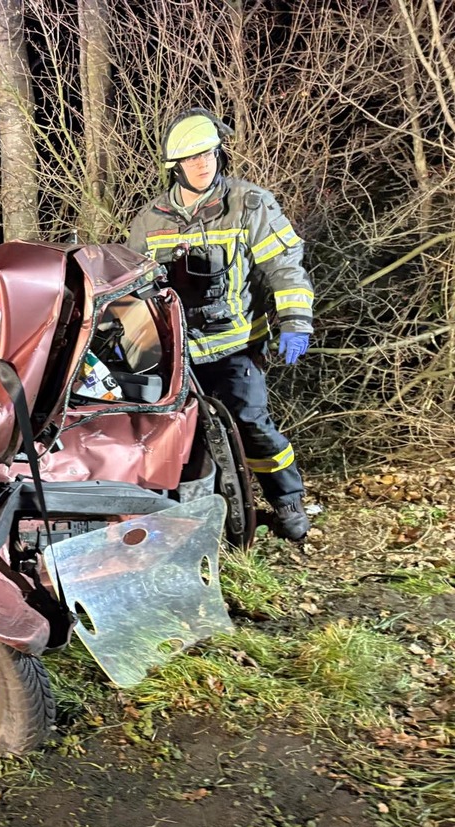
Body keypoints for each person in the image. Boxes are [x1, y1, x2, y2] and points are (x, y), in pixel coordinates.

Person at [126, 109, 314, 541]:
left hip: (236, 345)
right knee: (178, 436)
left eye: (209, 154)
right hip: (177, 354)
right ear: (175, 166)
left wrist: (296, 320)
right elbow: (133, 290)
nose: (203, 163)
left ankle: (287, 500)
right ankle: (196, 519)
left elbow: (285, 267)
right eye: (192, 157)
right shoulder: (149, 221)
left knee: (251, 425)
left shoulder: (249, 204)